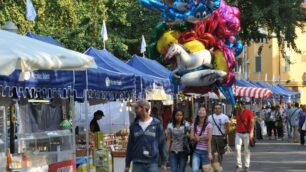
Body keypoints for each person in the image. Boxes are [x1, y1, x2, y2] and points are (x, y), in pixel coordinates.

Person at [125, 100, 168, 172]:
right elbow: (130, 145)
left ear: (144, 108)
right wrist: (127, 165)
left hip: (152, 163)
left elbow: (162, 143)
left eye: (137, 108)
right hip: (137, 163)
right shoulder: (134, 125)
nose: (135, 110)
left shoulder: (156, 124)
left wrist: (164, 163)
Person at [208, 104, 230, 172]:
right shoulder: (210, 117)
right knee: (212, 152)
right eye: (216, 108)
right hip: (212, 136)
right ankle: (212, 166)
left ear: (221, 109)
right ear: (214, 109)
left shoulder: (225, 117)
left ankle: (219, 166)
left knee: (220, 153)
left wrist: (225, 135)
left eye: (219, 108)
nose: (217, 109)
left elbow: (227, 127)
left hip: (221, 136)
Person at [190, 106, 213, 172]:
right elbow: (191, 137)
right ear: (197, 113)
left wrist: (209, 153)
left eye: (203, 110)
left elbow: (209, 139)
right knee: (195, 170)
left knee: (206, 170)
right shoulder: (194, 124)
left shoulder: (209, 125)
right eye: (200, 110)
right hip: (196, 151)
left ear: (206, 113)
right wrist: (195, 138)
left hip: (205, 151)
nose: (201, 111)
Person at [234, 103, 255, 172]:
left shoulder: (249, 112)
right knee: (237, 149)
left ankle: (246, 165)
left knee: (246, 150)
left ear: (242, 106)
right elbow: (237, 122)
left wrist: (251, 132)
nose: (237, 107)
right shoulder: (237, 113)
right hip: (238, 133)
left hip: (247, 133)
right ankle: (239, 165)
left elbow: (252, 122)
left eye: (239, 106)